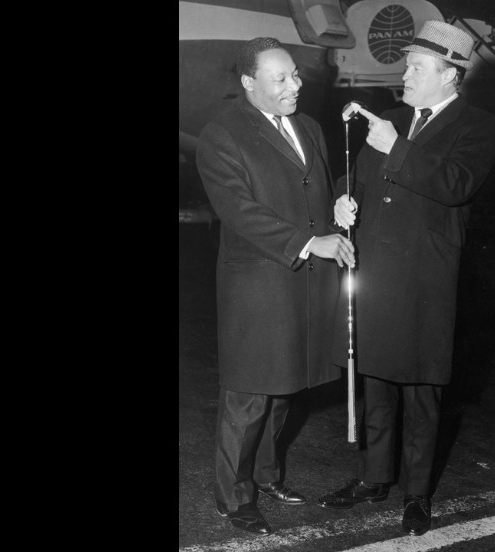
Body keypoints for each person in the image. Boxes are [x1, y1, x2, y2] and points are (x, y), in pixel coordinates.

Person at [317, 21, 495, 537]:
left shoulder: (478, 127)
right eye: (406, 66)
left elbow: (455, 184)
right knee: (375, 379)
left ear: (450, 75)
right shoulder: (393, 119)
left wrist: (395, 146)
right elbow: (355, 176)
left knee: (421, 389)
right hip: (376, 269)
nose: (406, 75)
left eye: (418, 68)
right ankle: (374, 477)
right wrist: (342, 197)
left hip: (425, 279)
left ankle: (417, 494)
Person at [196, 37, 356, 536]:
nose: (296, 85)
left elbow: (320, 188)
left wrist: (340, 204)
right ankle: (233, 496)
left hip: (305, 283)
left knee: (285, 388)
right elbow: (242, 213)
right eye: (281, 79)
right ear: (249, 84)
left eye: (295, 75)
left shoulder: (307, 127)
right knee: (249, 396)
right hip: (260, 285)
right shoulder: (221, 135)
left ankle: (265, 478)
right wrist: (313, 242)